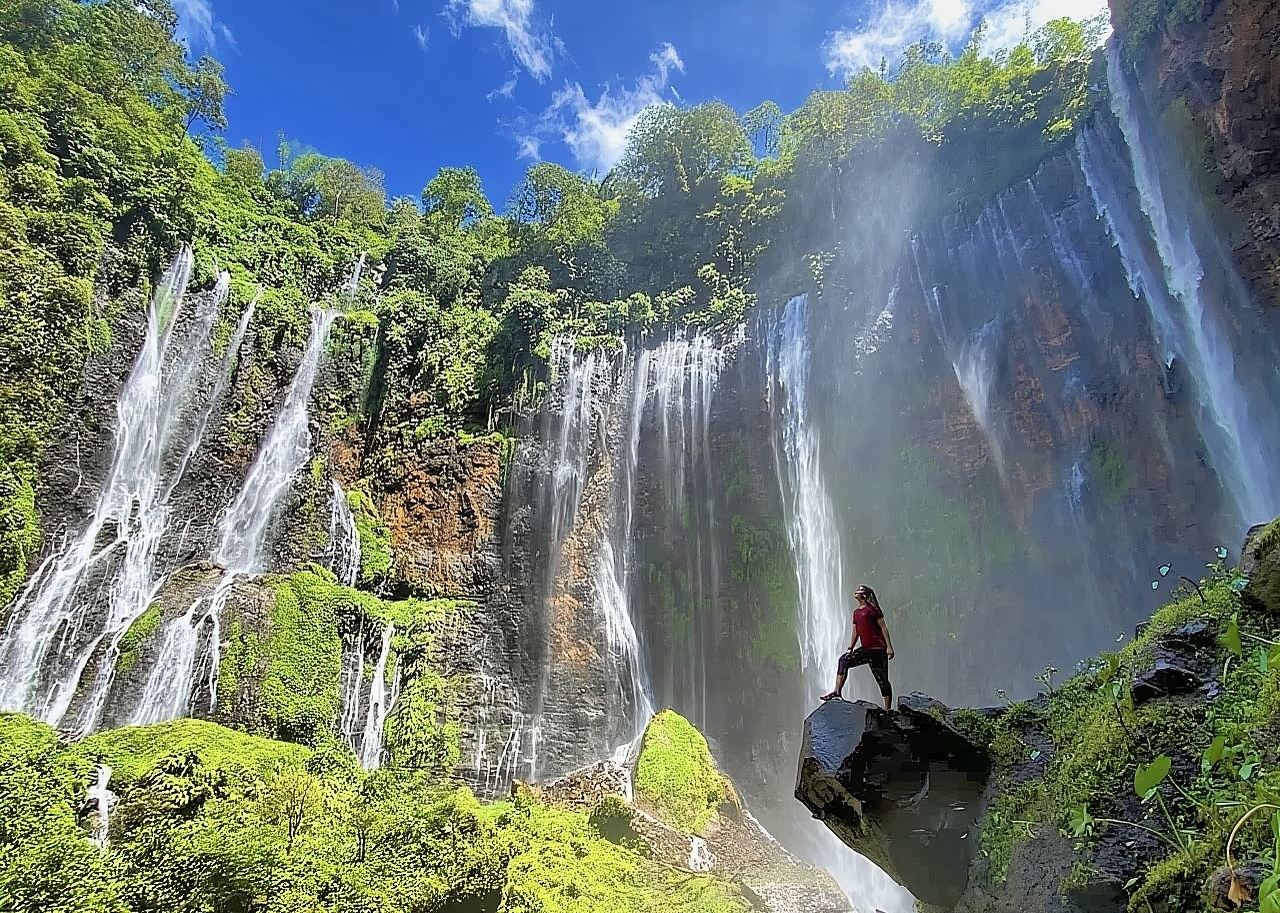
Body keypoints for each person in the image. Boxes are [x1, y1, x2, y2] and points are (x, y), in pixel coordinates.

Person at [820, 584, 895, 710]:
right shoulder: (856, 613)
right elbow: (856, 630)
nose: (856, 592)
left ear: (864, 595)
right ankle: (837, 692)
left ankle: (888, 709)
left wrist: (889, 647)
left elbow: (883, 627)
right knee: (844, 660)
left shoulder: (873, 610)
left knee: (882, 679)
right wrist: (851, 647)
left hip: (877, 649)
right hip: (866, 649)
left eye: (859, 591)